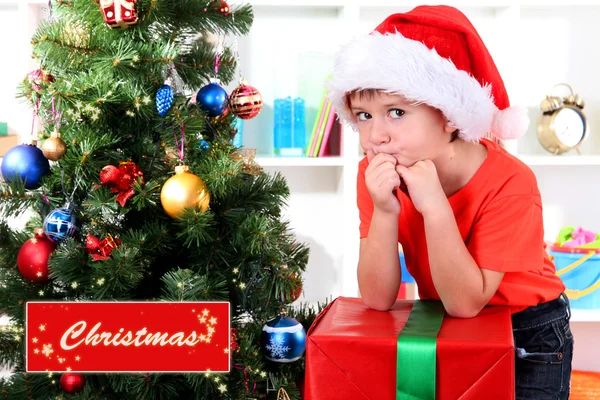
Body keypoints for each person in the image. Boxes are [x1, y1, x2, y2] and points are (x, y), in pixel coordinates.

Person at [327, 5, 573, 399]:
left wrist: (435, 207)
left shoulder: (510, 180)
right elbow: (377, 298)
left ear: (450, 116)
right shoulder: (373, 174)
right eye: (363, 115)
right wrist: (386, 211)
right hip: (447, 319)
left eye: (396, 112)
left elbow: (466, 301)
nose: (376, 135)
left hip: (527, 329)